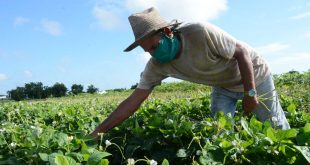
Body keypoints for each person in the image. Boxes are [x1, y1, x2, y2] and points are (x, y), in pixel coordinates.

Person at [91, 7, 290, 136]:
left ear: (168, 32)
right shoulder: (157, 65)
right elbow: (133, 101)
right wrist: (99, 131)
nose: (152, 54)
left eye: (154, 46)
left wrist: (250, 93)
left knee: (275, 126)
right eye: (147, 51)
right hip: (222, 85)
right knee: (220, 133)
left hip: (254, 75)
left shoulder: (199, 31)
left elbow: (242, 53)